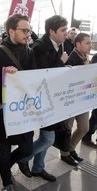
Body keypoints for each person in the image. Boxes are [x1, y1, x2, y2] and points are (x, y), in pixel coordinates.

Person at [0, 14, 35, 191]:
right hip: (3, 112)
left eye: (29, 30)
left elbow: (34, 78)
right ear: (11, 31)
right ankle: (7, 182)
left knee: (27, 148)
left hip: (24, 110)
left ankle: (5, 169)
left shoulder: (30, 51)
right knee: (4, 148)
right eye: (24, 30)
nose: (28, 34)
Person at [18, 15, 69, 182]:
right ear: (51, 31)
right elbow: (43, 75)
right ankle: (23, 158)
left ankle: (38, 168)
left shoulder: (58, 45)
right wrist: (61, 63)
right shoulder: (40, 47)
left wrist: (64, 67)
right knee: (48, 139)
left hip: (52, 99)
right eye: (63, 30)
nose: (66, 34)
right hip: (41, 100)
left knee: (47, 137)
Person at [59, 33, 92, 166]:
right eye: (87, 43)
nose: (90, 46)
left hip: (82, 99)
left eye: (90, 43)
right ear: (78, 44)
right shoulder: (70, 59)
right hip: (70, 100)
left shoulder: (86, 58)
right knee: (67, 128)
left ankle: (70, 148)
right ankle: (65, 153)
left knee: (84, 127)